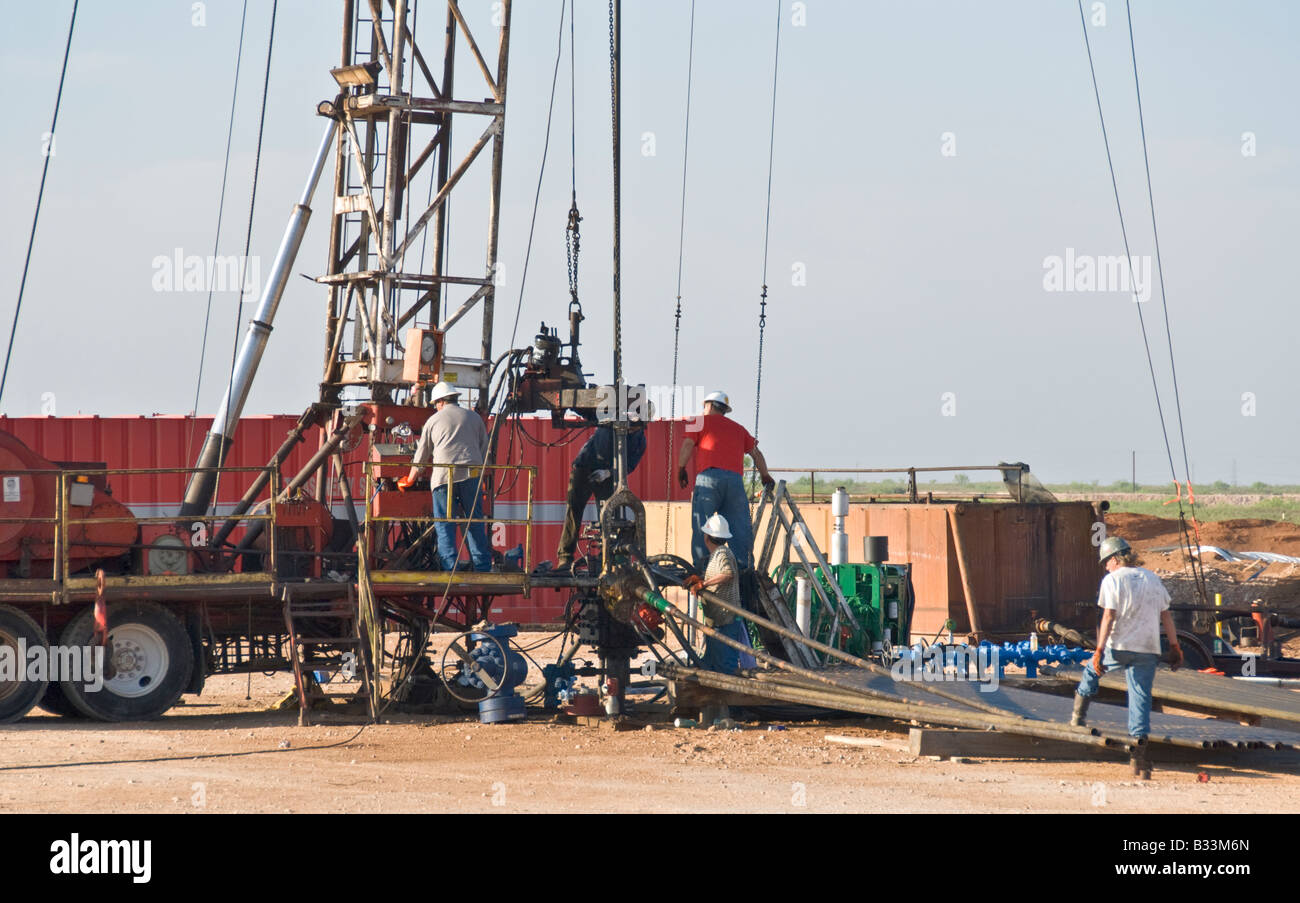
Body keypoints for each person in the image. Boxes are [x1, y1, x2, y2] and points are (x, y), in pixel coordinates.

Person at [1070, 535, 1183, 779]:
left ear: (1114, 558)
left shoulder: (1112, 580)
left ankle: (1077, 718)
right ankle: (1138, 759)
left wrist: (1099, 651)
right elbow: (1166, 617)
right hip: (1147, 649)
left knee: (1092, 670)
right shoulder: (1152, 578)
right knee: (1140, 699)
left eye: (1105, 562)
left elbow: (1109, 616)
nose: (1105, 567)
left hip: (1118, 646)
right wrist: (1175, 647)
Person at [398, 381, 492, 572]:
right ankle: (482, 567)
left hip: (443, 479)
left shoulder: (434, 420)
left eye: (435, 404)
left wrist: (411, 478)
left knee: (444, 524)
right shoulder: (474, 418)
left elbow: (422, 455)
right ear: (455, 398)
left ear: (440, 401)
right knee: (473, 522)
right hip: (471, 475)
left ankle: (450, 568)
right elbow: (484, 449)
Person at [676, 390, 774, 572]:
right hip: (735, 482)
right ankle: (744, 570)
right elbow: (756, 454)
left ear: (709, 405)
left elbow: (688, 445)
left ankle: (702, 569)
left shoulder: (698, 422)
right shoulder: (738, 428)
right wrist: (765, 476)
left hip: (709, 480)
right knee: (740, 528)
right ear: (724, 410)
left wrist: (681, 468)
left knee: (701, 525)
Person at [554, 411, 650, 571]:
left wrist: (608, 473)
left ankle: (604, 559)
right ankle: (565, 558)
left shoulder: (640, 441)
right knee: (573, 511)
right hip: (584, 467)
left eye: (635, 428)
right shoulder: (610, 425)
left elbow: (629, 465)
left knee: (607, 516)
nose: (631, 430)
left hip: (606, 474)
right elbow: (598, 441)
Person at [683, 513, 752, 677]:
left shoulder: (722, 553)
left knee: (725, 666)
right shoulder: (718, 554)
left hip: (725, 620)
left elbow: (727, 574)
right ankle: (714, 699)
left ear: (707, 537)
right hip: (717, 621)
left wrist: (704, 584)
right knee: (710, 664)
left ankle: (730, 701)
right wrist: (700, 579)